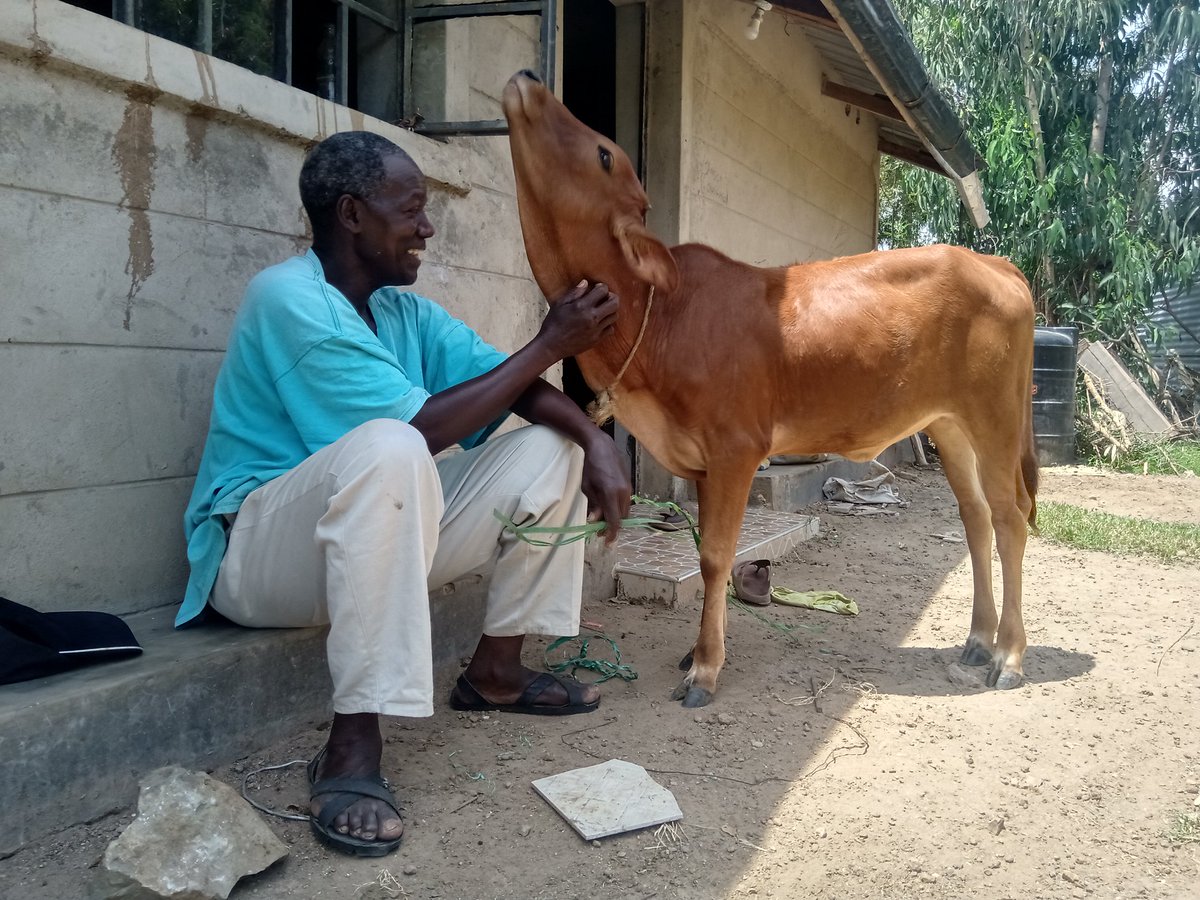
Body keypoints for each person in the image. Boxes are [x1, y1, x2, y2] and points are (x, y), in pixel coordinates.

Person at [179, 131, 631, 857]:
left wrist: (598, 440)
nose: (426, 227)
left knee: (554, 446)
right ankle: (354, 742)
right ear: (353, 214)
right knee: (394, 445)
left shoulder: (403, 314)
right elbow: (418, 428)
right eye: (411, 209)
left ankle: (497, 672)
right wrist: (550, 343)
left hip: (362, 540)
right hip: (258, 561)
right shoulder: (288, 298)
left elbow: (516, 389)